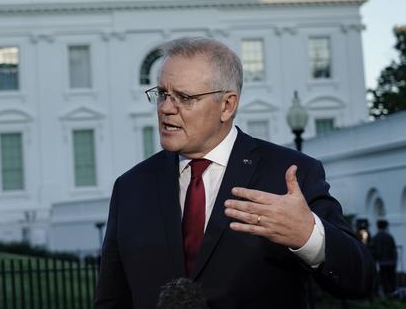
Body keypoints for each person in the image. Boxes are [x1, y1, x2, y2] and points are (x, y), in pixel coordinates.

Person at [94, 37, 375, 308]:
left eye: (184, 97)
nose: (166, 108)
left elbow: (359, 279)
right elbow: (112, 299)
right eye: (163, 94)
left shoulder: (288, 174)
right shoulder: (130, 188)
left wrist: (308, 236)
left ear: (227, 105)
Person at [371, 219, 397, 296]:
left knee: (383, 278)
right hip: (391, 262)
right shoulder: (390, 237)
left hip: (382, 262)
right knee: (391, 279)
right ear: (385, 227)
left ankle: (386, 295)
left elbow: (373, 251)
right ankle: (393, 294)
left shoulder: (375, 238)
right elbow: (394, 250)